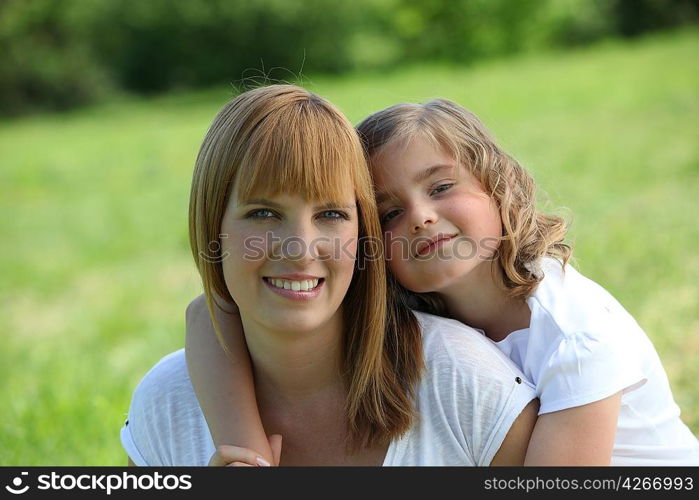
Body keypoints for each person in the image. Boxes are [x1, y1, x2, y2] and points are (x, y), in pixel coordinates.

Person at [184, 95, 699, 466]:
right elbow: (209, 316)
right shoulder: (420, 301)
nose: (421, 217)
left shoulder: (575, 334)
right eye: (388, 212)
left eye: (442, 186)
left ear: (501, 185)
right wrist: (246, 454)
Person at [120, 85, 538, 466]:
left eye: (331, 214)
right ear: (213, 229)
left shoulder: (464, 383)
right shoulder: (166, 406)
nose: (301, 249)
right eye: (263, 213)